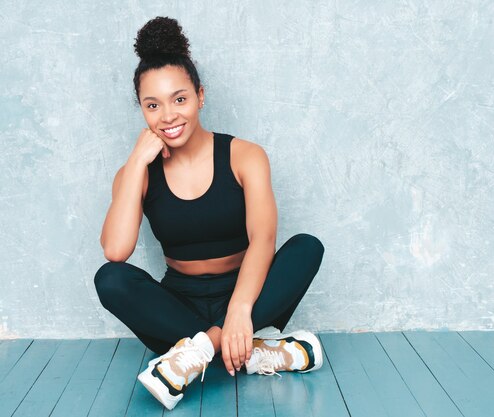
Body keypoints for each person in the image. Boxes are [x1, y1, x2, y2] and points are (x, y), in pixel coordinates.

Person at [93, 16, 325, 411]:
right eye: (153, 105)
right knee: (109, 279)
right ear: (142, 111)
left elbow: (264, 239)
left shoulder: (245, 156)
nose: (168, 116)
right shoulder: (137, 174)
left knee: (306, 247)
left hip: (250, 296)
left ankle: (200, 351)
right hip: (177, 310)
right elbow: (116, 251)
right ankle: (260, 352)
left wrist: (239, 310)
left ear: (200, 96)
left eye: (179, 99)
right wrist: (135, 163)